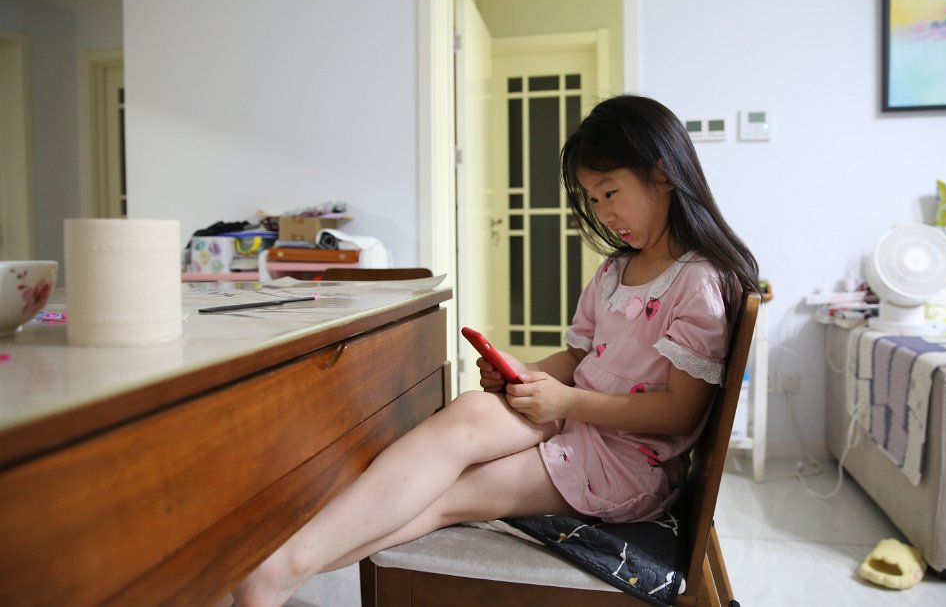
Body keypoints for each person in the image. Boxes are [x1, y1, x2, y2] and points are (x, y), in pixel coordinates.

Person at [232, 94, 758, 607]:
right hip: (578, 419)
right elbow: (578, 359)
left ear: (663, 173)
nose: (603, 212)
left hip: (627, 462)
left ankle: (277, 572)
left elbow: (679, 412)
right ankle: (275, 569)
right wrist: (523, 373)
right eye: (593, 199)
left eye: (610, 192)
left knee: (447, 493)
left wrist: (566, 402)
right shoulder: (616, 270)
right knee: (470, 411)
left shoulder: (698, 282)